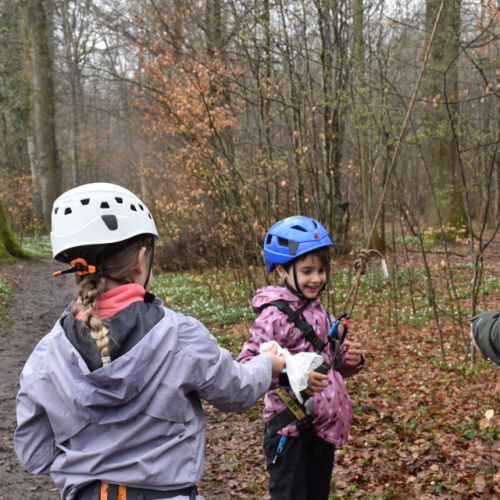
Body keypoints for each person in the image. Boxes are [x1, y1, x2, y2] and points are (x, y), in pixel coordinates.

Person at [14, 183, 285, 500]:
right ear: (141, 259)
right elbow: (236, 392)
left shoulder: (48, 353)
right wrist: (267, 364)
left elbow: (34, 453)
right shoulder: (180, 334)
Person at [237, 215, 365, 500]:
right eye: (307, 271)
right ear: (283, 269)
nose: (316, 279)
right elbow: (248, 367)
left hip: (321, 429)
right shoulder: (274, 316)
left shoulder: (319, 311)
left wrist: (349, 360)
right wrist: (293, 378)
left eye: (321, 270)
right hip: (289, 429)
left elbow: (327, 361)